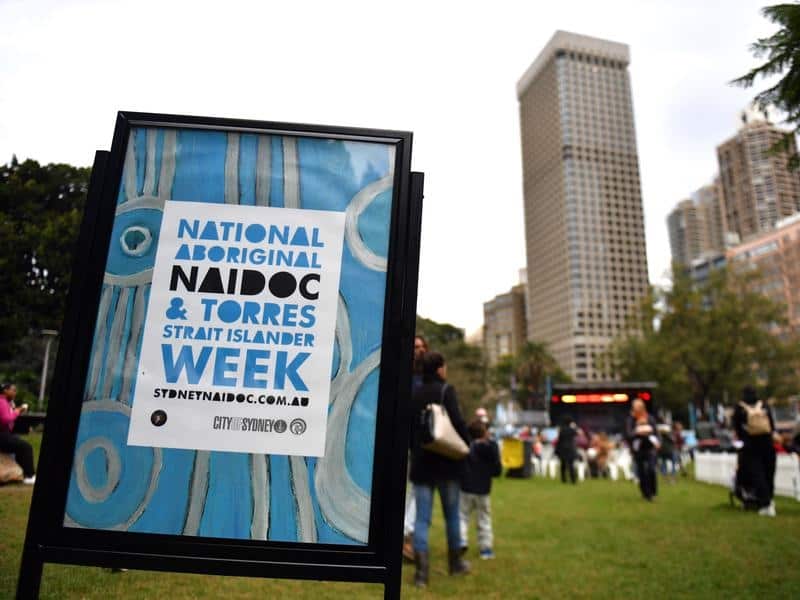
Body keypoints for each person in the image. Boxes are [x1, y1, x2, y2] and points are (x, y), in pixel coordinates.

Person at [409, 351, 471, 587]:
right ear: (439, 369)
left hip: (422, 464)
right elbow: (458, 422)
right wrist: (467, 445)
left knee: (422, 519)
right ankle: (455, 563)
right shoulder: (447, 391)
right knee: (452, 515)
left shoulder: (415, 394)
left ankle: (421, 574)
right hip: (448, 464)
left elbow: (409, 429)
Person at [459, 418, 502, 560]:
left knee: (462, 516)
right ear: (485, 433)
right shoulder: (492, 447)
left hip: (466, 487)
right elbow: (497, 470)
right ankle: (486, 549)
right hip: (483, 489)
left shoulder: (465, 446)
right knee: (484, 518)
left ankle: (461, 540)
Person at [403, 335, 429, 562]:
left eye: (421, 347)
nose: (418, 351)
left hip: (420, 445)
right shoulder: (403, 376)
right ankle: (404, 537)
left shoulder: (427, 380)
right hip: (403, 442)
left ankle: (406, 537)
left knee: (414, 492)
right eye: (414, 347)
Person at [732, 386, 777, 516]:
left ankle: (765, 503)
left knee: (758, 474)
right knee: (769, 473)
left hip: (751, 445)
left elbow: (737, 427)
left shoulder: (740, 408)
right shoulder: (763, 405)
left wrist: (743, 438)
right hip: (767, 443)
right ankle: (769, 499)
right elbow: (771, 425)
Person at [0, 383, 36, 484]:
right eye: (13, 390)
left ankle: (23, 473)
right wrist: (18, 410)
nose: (15, 393)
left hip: (4, 434)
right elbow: (6, 420)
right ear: (5, 390)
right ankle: (29, 476)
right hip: (1, 435)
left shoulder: (6, 402)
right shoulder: (1, 401)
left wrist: (13, 409)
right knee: (26, 447)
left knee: (18, 442)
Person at [625, 399, 659, 501]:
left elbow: (656, 432)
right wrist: (637, 431)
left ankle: (653, 492)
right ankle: (645, 493)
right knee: (641, 471)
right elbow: (628, 434)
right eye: (635, 408)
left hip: (650, 448)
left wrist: (658, 442)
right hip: (638, 449)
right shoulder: (631, 420)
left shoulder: (650, 418)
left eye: (638, 408)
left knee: (651, 469)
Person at [554, 416, 579, 484]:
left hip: (562, 448)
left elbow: (559, 439)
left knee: (563, 465)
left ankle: (563, 479)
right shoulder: (572, 429)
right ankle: (573, 479)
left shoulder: (562, 429)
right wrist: (574, 426)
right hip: (570, 449)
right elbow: (578, 433)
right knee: (571, 465)